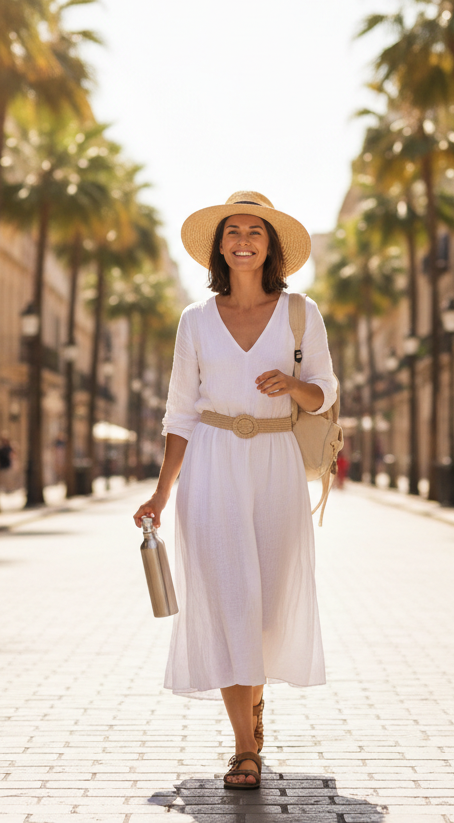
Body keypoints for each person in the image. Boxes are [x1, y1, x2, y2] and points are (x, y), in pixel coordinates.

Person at [134, 191, 337, 791]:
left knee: (267, 604)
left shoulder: (301, 312)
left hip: (275, 462)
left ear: (270, 245)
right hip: (213, 466)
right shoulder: (194, 321)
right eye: (232, 232)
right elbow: (179, 415)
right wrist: (161, 493)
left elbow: (325, 390)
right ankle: (244, 749)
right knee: (229, 601)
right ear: (219, 247)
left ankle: (254, 701)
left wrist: (293, 386)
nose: (243, 240)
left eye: (255, 231)